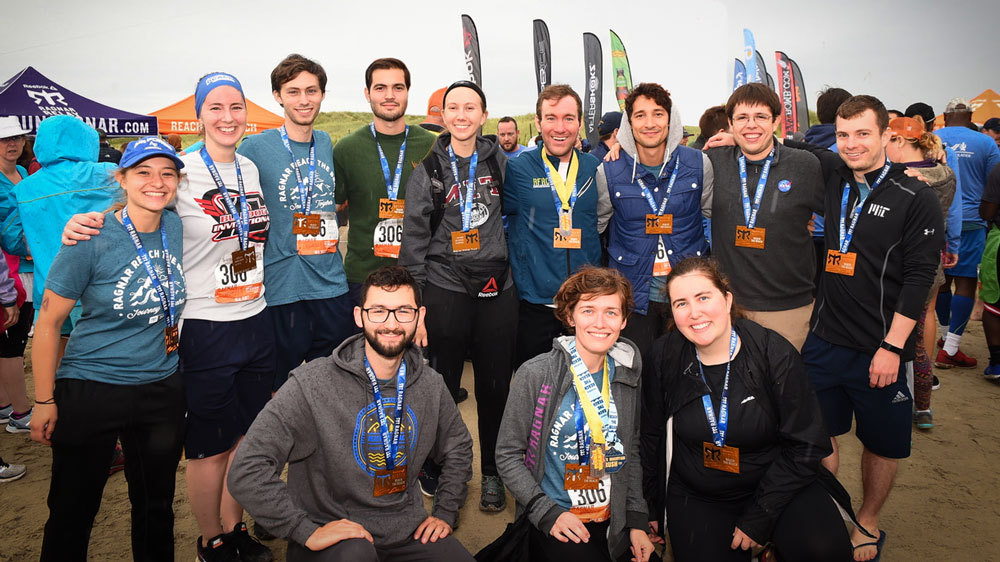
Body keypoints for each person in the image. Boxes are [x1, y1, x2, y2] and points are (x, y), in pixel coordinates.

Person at [63, 73, 277, 561]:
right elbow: (134, 206)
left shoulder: (249, 168)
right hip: (204, 324)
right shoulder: (182, 171)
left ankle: (235, 528)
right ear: (200, 115)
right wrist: (83, 222)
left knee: (247, 438)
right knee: (209, 445)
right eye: (216, 107)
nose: (228, 117)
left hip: (256, 316)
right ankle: (210, 539)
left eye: (236, 107)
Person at [228, 265, 475, 562]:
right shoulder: (312, 384)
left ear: (419, 317)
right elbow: (247, 468)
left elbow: (458, 448)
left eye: (403, 311)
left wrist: (445, 512)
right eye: (378, 311)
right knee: (356, 555)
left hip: (406, 530)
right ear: (359, 316)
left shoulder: (431, 385)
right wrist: (304, 530)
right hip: (335, 537)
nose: (391, 323)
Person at [794, 95, 944, 561]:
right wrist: (723, 137)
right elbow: (779, 142)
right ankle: (829, 511)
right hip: (824, 341)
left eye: (863, 133)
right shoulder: (833, 174)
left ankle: (868, 521)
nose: (852, 143)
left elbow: (919, 279)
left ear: (886, 136)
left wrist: (893, 347)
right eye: (843, 134)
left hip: (880, 348)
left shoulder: (915, 196)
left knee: (882, 443)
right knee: (819, 435)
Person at [31, 137, 188, 561]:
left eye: (167, 174)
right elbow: (49, 322)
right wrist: (43, 400)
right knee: (72, 509)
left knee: (156, 507)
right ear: (121, 178)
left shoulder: (174, 226)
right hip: (93, 388)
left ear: (177, 181)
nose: (156, 182)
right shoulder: (91, 235)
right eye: (143, 172)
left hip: (160, 386)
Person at [641, 257, 853, 562]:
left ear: (727, 299)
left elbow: (807, 445)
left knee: (824, 551)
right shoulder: (664, 357)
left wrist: (759, 516)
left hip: (776, 483)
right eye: (681, 303)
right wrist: (649, 506)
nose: (694, 312)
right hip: (700, 493)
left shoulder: (772, 353)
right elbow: (650, 435)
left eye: (703, 297)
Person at [399, 81, 514, 512]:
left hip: (497, 288)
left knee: (495, 387)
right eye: (454, 108)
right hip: (445, 285)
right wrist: (417, 307)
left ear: (484, 115)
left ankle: (493, 472)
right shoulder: (427, 169)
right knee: (442, 385)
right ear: (443, 116)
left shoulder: (502, 162)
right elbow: (413, 242)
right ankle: (440, 465)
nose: (462, 115)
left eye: (470, 108)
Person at [496, 266, 654, 562]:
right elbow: (507, 455)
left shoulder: (627, 375)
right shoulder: (536, 373)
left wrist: (635, 520)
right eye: (588, 310)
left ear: (623, 320)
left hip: (613, 519)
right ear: (570, 317)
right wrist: (546, 512)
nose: (600, 323)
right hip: (557, 516)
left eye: (611, 312)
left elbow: (630, 451)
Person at [238, 54, 354, 392]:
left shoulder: (326, 143)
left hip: (330, 283)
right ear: (278, 96)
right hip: (281, 287)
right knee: (277, 388)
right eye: (293, 91)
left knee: (333, 384)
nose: (304, 100)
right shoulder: (255, 147)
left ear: (322, 95)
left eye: (311, 91)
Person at [705, 83, 824, 351]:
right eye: (742, 118)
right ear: (730, 124)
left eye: (760, 116)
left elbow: (847, 186)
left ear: (776, 121)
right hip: (728, 306)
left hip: (788, 309)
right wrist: (623, 145)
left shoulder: (805, 165)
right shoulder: (714, 161)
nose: (751, 125)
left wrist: (906, 173)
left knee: (783, 377)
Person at [505, 84, 612, 368]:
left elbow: (602, 217)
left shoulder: (594, 168)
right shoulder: (517, 169)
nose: (560, 128)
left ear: (580, 122)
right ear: (538, 122)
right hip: (535, 303)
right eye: (551, 118)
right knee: (535, 384)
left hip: (585, 302)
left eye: (568, 118)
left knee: (583, 384)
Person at [603, 82, 713, 359]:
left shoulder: (699, 164)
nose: (650, 123)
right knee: (639, 373)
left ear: (670, 118)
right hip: (635, 297)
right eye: (640, 115)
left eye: (658, 114)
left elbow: (713, 217)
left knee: (687, 373)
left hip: (687, 295)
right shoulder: (609, 170)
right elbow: (598, 227)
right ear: (629, 123)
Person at [334, 58, 436, 303]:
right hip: (362, 278)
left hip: (420, 275)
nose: (390, 95)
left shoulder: (432, 145)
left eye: (398, 87)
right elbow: (332, 209)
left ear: (407, 92)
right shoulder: (346, 149)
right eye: (380, 88)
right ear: (367, 93)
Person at [884, 116, 956, 429]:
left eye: (888, 139)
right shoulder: (946, 172)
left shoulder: (905, 176)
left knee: (895, 339)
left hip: (901, 264)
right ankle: (923, 407)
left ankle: (897, 402)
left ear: (900, 141)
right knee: (919, 337)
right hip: (932, 260)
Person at [933, 98, 1000, 367]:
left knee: (941, 282)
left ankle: (944, 336)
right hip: (972, 221)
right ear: (971, 116)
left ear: (945, 116)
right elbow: (994, 183)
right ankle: (950, 348)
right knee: (966, 283)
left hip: (936, 219)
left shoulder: (933, 139)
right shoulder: (986, 143)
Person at [0, 116, 31, 433]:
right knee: (12, 341)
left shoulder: (22, 172)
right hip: (8, 271)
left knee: (11, 338)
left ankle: (4, 404)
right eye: (5, 139)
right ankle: (21, 413)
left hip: (24, 267)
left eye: (17, 138)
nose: (12, 144)